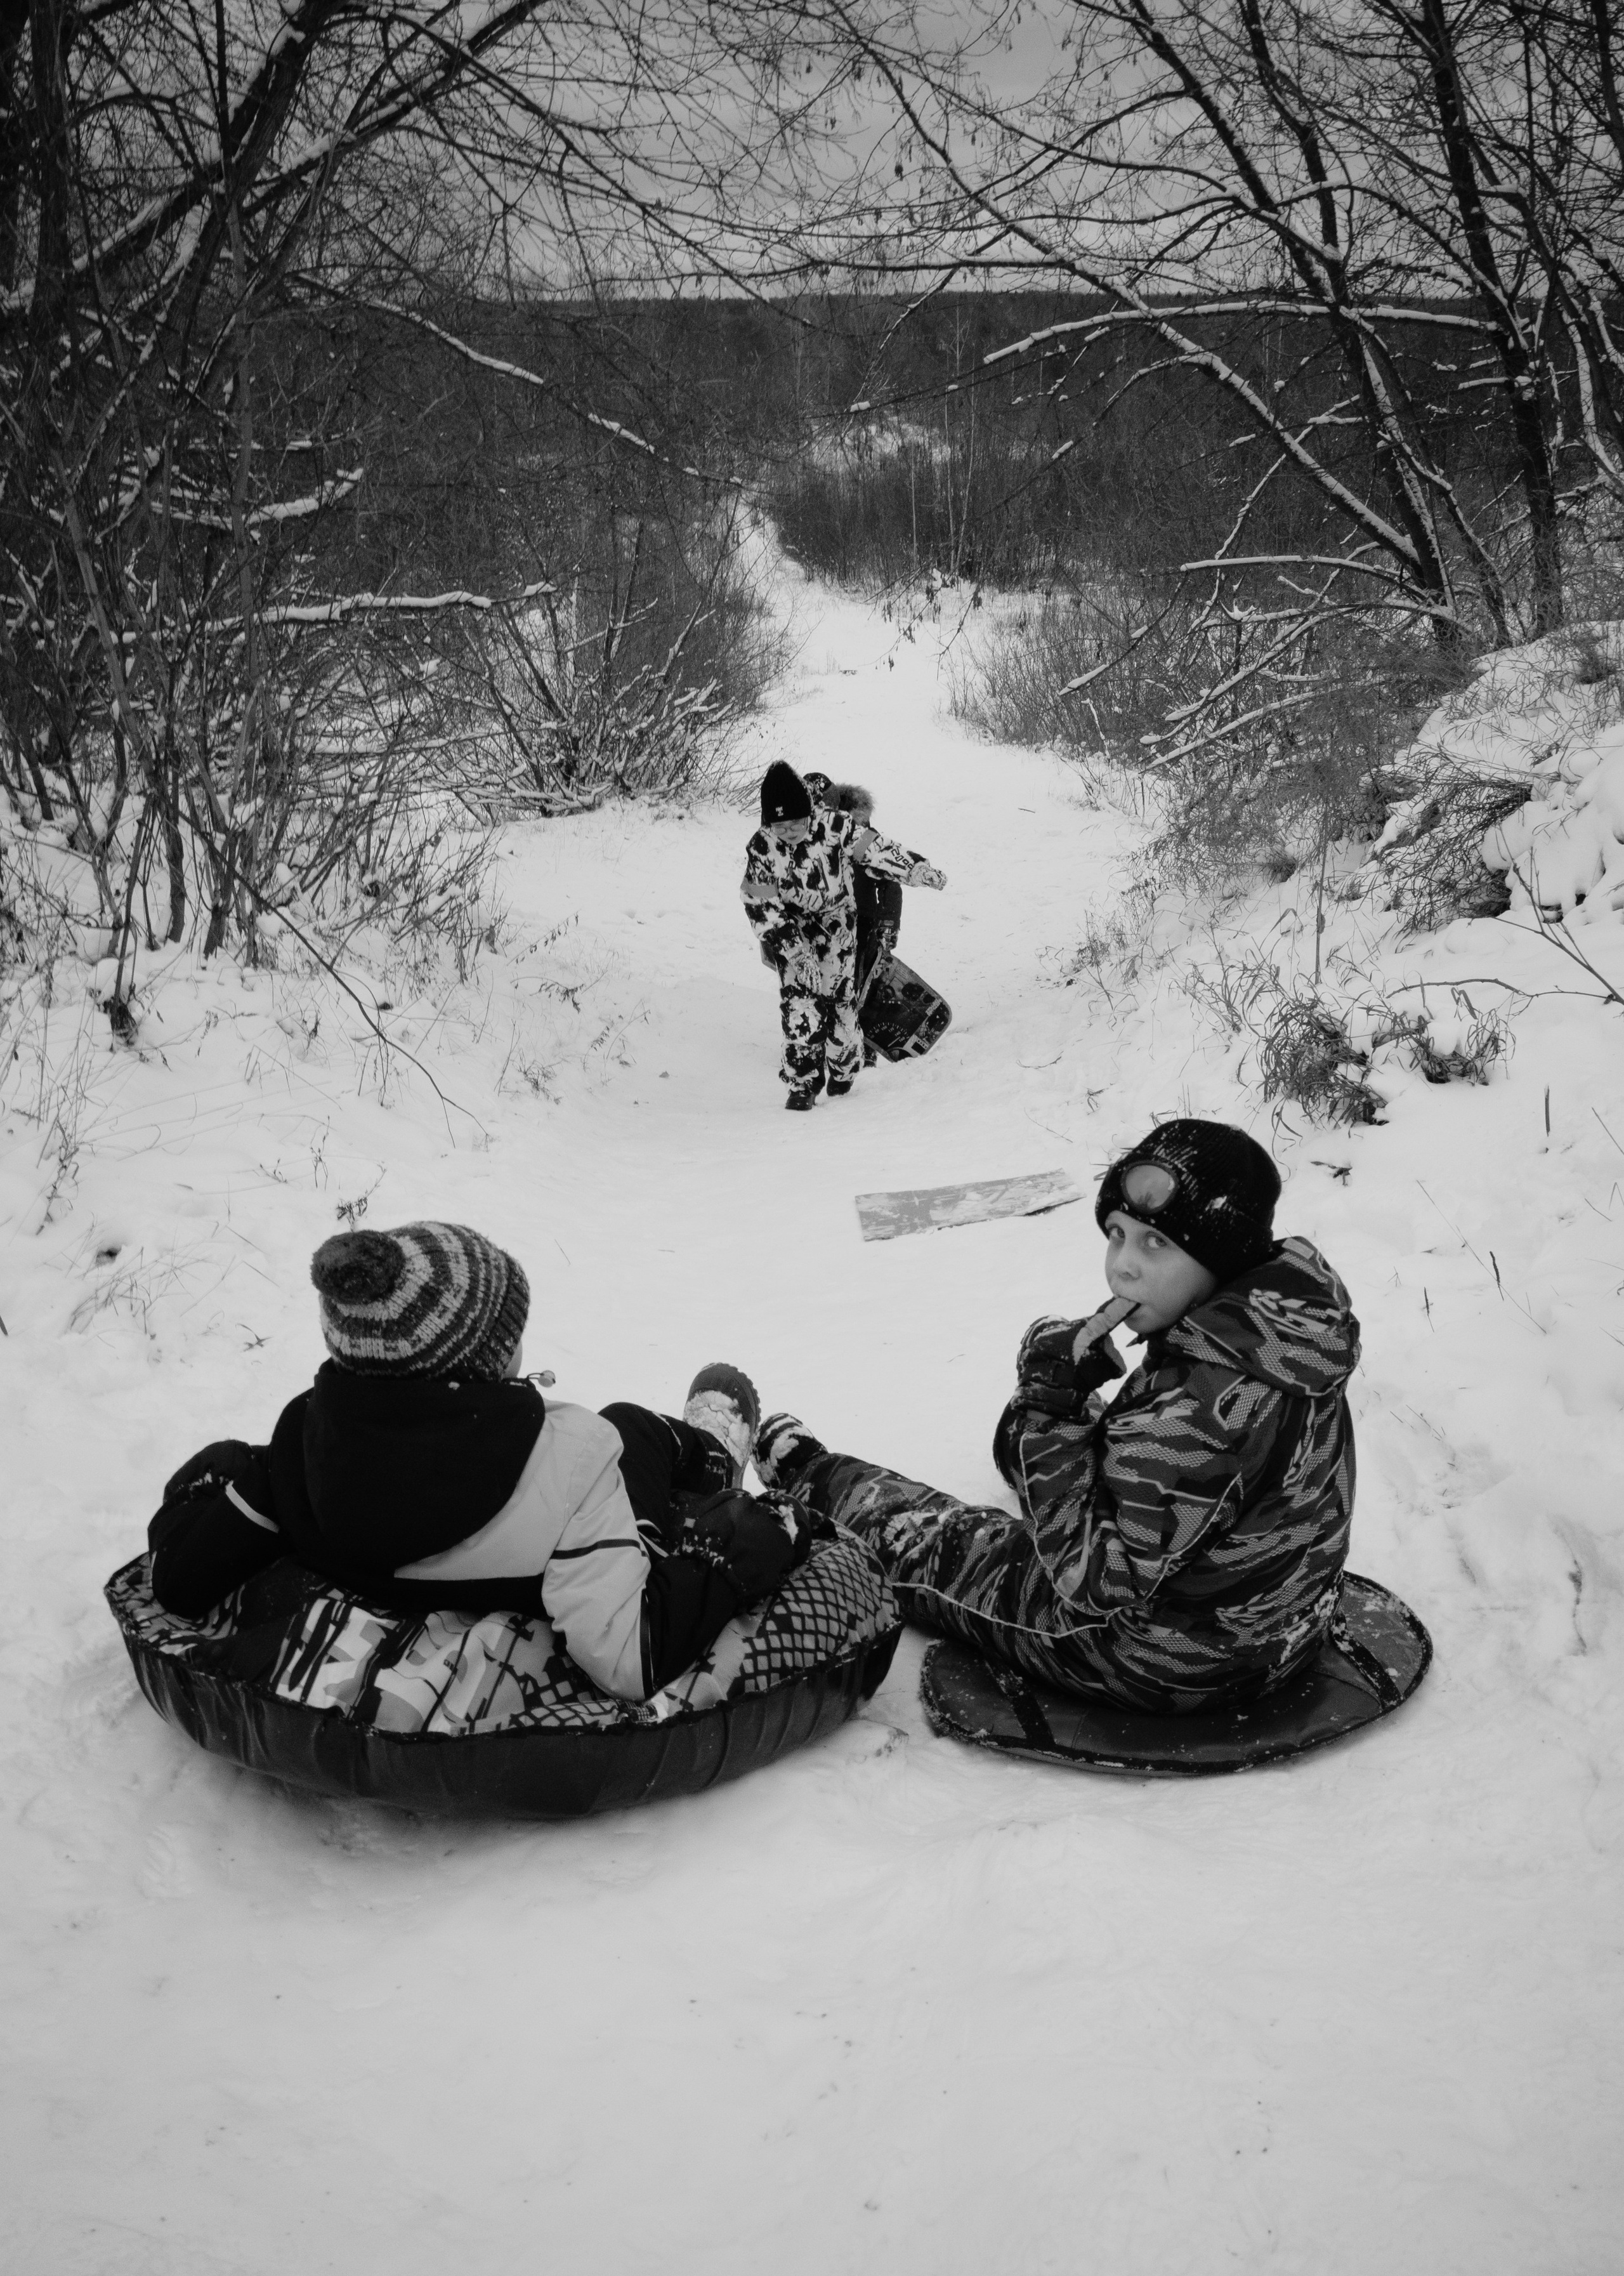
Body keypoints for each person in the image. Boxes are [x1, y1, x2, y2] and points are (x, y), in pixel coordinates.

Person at [754, 1120, 1359, 1713]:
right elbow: (1180, 1463)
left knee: (950, 1545)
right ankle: (1027, 1444)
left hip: (1160, 1662)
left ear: (1222, 1253)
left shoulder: (1195, 1410)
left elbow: (1093, 1583)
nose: (1123, 1265)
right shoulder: (1285, 1331)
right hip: (1284, 1625)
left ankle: (815, 1478)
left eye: (1157, 1244)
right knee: (1066, 1424)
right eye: (1117, 1234)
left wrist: (1048, 1409)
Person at [146, 1221, 812, 1701]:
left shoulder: (303, 1439)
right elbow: (627, 1653)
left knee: (627, 1429)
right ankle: (717, 1470)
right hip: (582, 1550)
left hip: (405, 1553)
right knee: (632, 1426)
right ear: (486, 1360)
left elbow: (180, 1580)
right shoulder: (569, 1461)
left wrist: (222, 1473)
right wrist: (750, 1544)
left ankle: (707, 1467)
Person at [742, 760, 946, 1110]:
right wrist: (792, 951)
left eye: (795, 823)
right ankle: (802, 1085)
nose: (789, 832)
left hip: (836, 927)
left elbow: (877, 850)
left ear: (809, 813)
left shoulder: (836, 827)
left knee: (841, 1010)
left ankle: (844, 1069)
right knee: (800, 1009)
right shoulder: (763, 848)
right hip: (793, 932)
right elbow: (760, 904)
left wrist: (915, 868)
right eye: (780, 826)